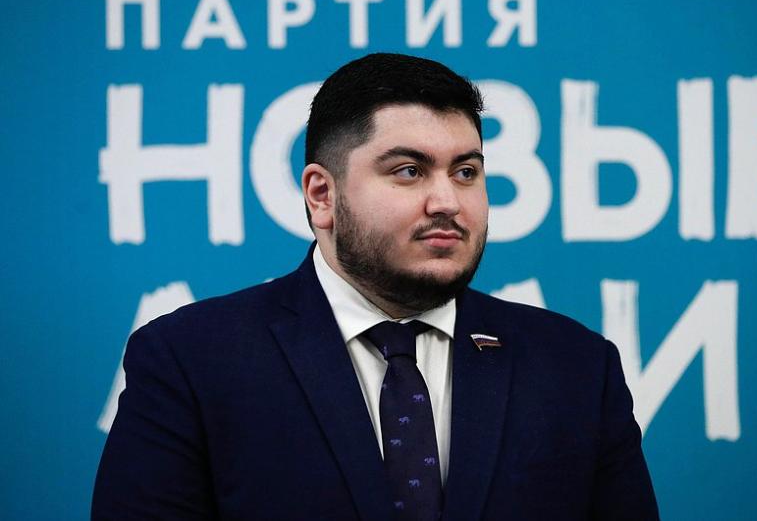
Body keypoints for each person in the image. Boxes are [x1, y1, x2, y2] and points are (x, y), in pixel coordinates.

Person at [92, 53, 659, 520]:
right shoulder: (189, 360)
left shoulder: (577, 367)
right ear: (322, 195)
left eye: (466, 171)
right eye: (409, 170)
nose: (448, 201)